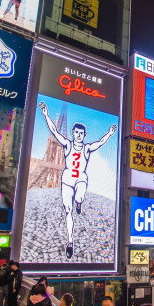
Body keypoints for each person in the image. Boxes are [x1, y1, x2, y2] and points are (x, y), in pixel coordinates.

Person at [38, 101, 117, 259]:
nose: (79, 135)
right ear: (73, 133)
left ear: (84, 135)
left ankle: (79, 202)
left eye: (81, 133)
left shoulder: (87, 148)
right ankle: (70, 242)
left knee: (80, 196)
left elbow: (100, 143)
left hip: (80, 178)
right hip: (67, 178)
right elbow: (54, 131)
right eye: (76, 133)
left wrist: (109, 133)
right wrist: (46, 114)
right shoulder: (67, 144)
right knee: (68, 211)